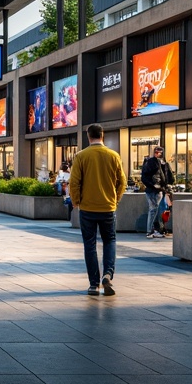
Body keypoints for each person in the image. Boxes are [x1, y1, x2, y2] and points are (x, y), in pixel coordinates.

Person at [68, 124, 125, 297]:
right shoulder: (114, 156)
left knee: (89, 244)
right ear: (103, 135)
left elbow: (74, 182)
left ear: (88, 136)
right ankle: (108, 274)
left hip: (87, 208)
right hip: (108, 207)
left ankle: (93, 284)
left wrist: (76, 202)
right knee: (110, 241)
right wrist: (115, 199)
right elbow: (122, 181)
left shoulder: (81, 156)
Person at [140, 146, 174, 238]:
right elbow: (147, 177)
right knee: (156, 209)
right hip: (157, 189)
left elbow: (168, 177)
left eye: (159, 152)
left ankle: (159, 229)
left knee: (160, 210)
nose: (157, 153)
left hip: (160, 190)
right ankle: (153, 230)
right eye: (156, 152)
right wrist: (155, 185)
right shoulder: (153, 163)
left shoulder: (161, 163)